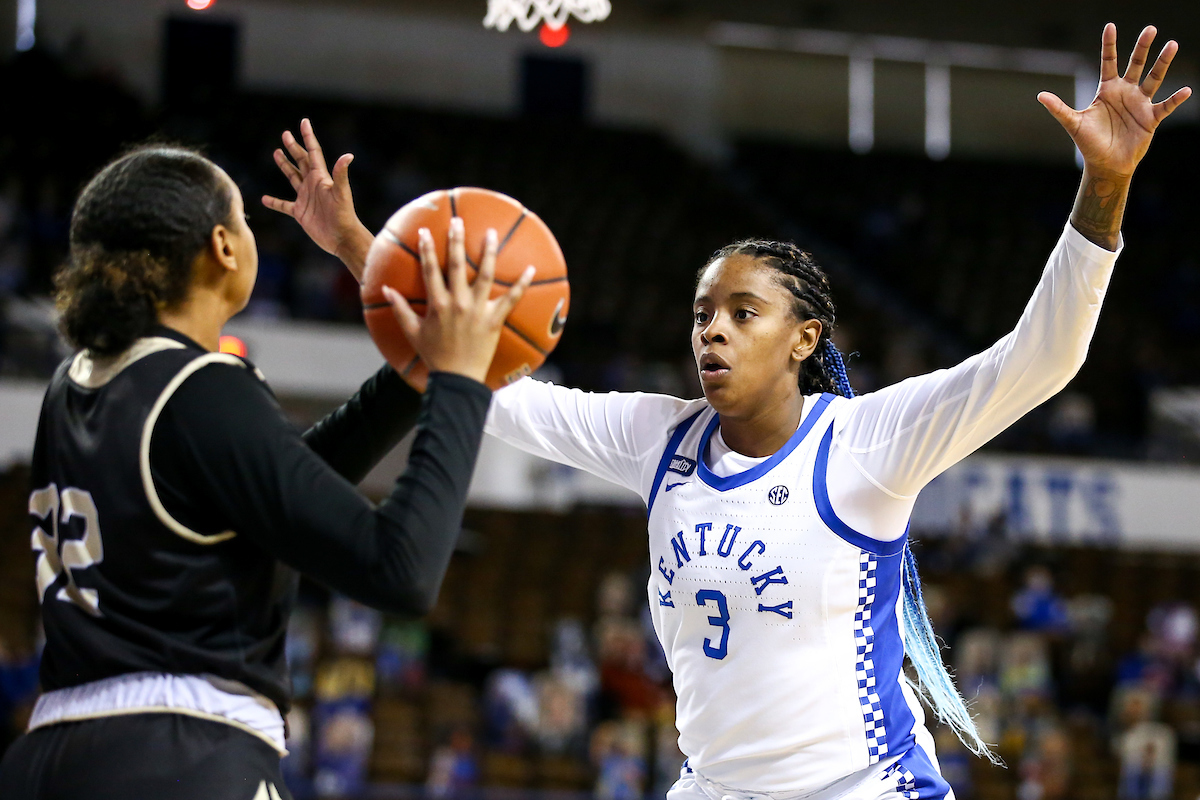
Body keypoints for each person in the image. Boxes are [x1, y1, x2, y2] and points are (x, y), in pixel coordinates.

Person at [279, 24, 1189, 800]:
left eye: (743, 314)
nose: (711, 333)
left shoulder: (864, 444)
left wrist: (1102, 190)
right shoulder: (660, 438)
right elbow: (498, 397)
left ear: (804, 338)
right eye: (702, 315)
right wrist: (362, 247)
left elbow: (1042, 360)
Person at [0, 131, 533, 799]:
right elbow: (401, 570)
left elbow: (275, 491)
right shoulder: (199, 386)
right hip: (179, 754)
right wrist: (458, 381)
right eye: (244, 220)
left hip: (51, 754)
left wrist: (414, 371)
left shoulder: (75, 384)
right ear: (222, 247)